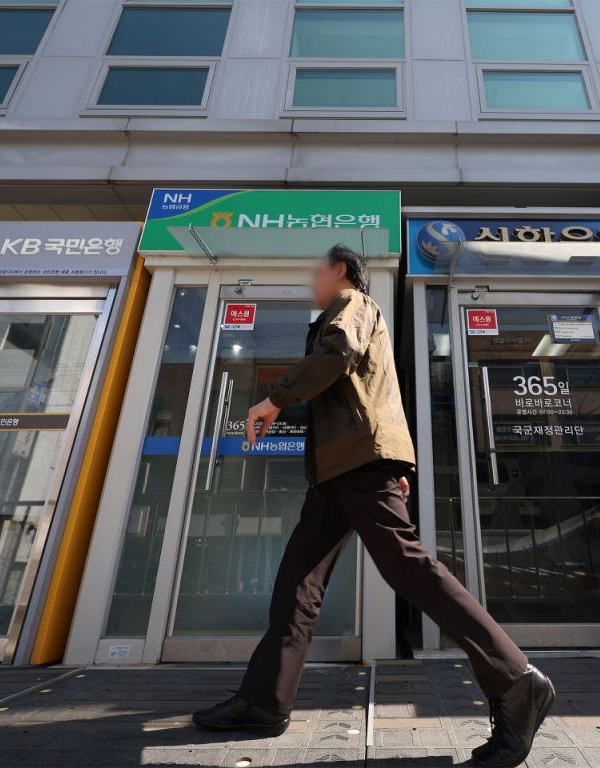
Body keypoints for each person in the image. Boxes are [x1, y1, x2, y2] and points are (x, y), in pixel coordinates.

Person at [192, 245, 554, 767]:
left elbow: (337, 356)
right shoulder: (350, 314)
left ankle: (517, 680)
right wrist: (396, 461)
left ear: (340, 270)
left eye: (317, 271)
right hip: (339, 470)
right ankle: (264, 701)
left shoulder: (353, 302)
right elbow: (373, 390)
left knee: (407, 566)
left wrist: (275, 398)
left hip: (357, 463)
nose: (312, 281)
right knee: (297, 583)